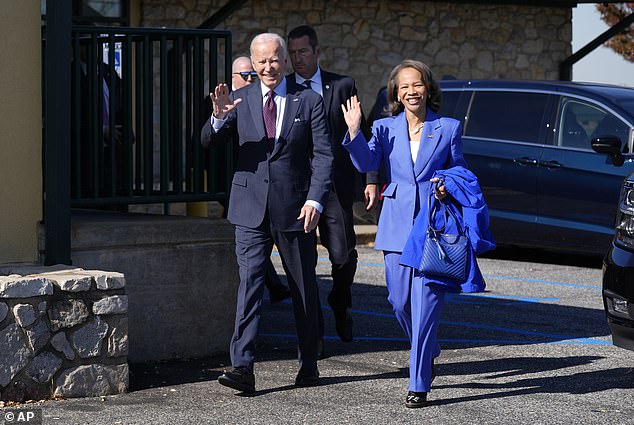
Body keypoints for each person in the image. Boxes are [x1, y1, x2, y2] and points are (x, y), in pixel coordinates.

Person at [341, 60, 491, 408]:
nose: (411, 91)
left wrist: (446, 187)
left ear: (428, 88)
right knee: (398, 301)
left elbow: (461, 172)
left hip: (434, 227)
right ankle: (430, 348)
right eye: (404, 86)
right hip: (395, 225)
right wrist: (353, 131)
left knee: (425, 308)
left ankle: (419, 382)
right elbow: (366, 164)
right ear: (396, 92)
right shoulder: (382, 127)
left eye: (417, 84)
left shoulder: (448, 128)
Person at [201, 33, 333, 393]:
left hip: (295, 209)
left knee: (303, 288)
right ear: (253, 64)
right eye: (260, 62)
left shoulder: (308, 101)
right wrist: (216, 119)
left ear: (285, 61)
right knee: (250, 286)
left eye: (274, 60)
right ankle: (242, 367)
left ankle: (309, 362)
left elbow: (324, 156)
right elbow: (208, 143)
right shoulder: (238, 101)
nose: (267, 67)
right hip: (249, 210)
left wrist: (316, 200)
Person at [266, 24, 378, 345]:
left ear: (317, 52)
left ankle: (340, 304)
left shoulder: (342, 86)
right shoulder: (282, 89)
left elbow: (361, 134)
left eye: (304, 52)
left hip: (334, 188)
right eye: (293, 53)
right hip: (297, 190)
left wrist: (370, 180)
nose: (298, 59)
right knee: (305, 264)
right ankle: (314, 336)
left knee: (343, 256)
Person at [229, 55, 292, 303]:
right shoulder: (225, 102)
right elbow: (206, 140)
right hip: (242, 193)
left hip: (282, 197)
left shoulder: (285, 100)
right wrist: (219, 118)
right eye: (245, 75)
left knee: (298, 276)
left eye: (251, 76)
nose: (250, 79)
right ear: (233, 77)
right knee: (249, 277)